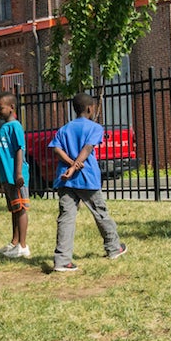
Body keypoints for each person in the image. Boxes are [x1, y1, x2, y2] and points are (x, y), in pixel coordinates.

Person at [49, 92, 127, 271]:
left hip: (65, 180)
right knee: (100, 212)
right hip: (87, 179)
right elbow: (88, 147)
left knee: (66, 218)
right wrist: (76, 166)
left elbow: (56, 149)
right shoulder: (95, 128)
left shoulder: (65, 129)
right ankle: (114, 247)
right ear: (90, 109)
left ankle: (62, 260)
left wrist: (69, 165)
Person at [0, 91, 31, 258]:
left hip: (16, 176)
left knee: (21, 209)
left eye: (0, 108)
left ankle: (23, 246)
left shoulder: (15, 126)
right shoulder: (4, 128)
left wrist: (18, 173)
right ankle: (14, 242)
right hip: (7, 176)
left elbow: (19, 149)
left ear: (11, 107)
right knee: (14, 209)